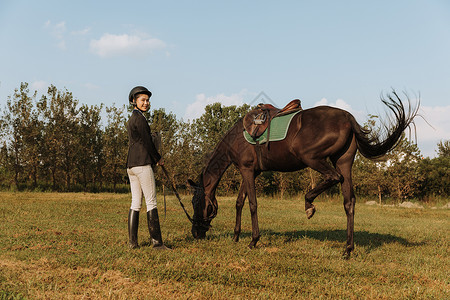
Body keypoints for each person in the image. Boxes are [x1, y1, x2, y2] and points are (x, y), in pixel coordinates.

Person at [126, 86, 170, 250]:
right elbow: (147, 142)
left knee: (135, 202)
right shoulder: (140, 119)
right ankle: (157, 243)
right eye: (142, 100)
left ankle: (133, 243)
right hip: (142, 164)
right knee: (151, 201)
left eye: (147, 100)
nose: (146, 102)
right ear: (134, 101)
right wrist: (158, 158)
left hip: (131, 165)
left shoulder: (132, 119)